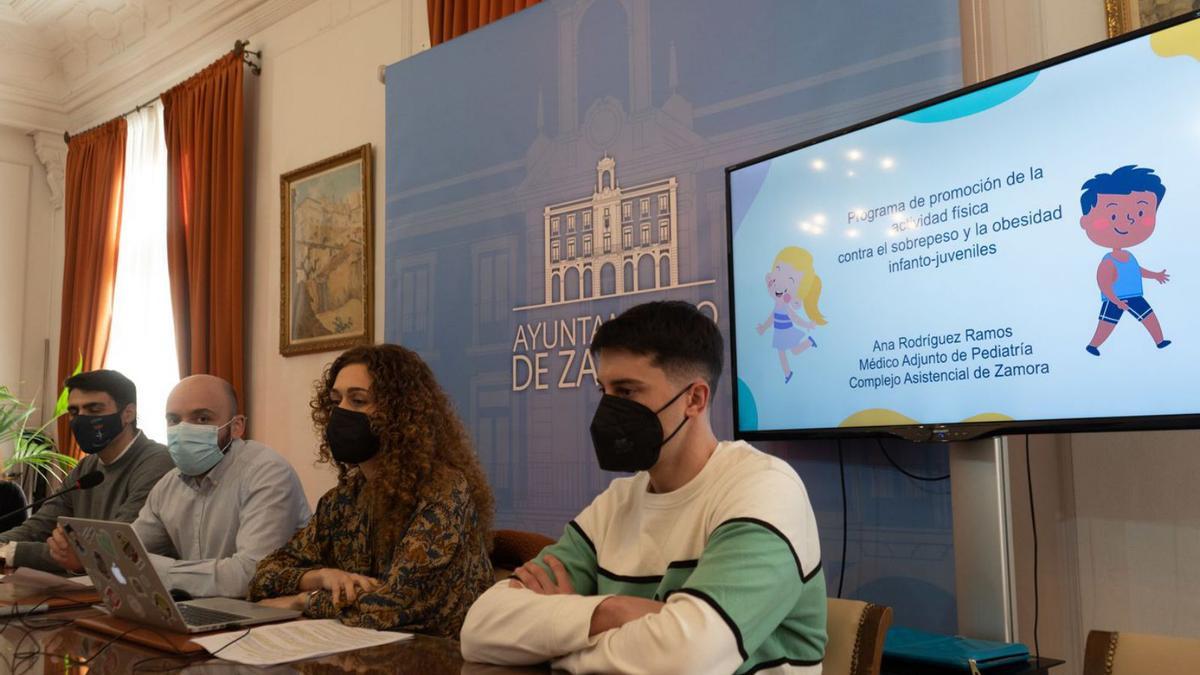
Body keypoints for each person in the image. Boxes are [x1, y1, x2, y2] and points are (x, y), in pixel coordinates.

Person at [460, 301, 827, 674]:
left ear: (694, 399)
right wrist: (612, 610)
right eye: (604, 390)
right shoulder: (616, 504)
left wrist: (557, 642)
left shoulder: (763, 490)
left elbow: (685, 659)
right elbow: (481, 627)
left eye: (627, 392)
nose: (608, 410)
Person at [248, 344, 494, 637]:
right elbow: (263, 578)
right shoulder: (341, 501)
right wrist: (320, 577)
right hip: (359, 649)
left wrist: (302, 600)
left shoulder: (443, 490)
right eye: (336, 400)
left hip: (441, 656)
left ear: (401, 415)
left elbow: (391, 605)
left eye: (358, 400)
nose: (341, 413)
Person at [48, 374, 310, 598]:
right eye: (173, 420)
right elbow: (126, 551)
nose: (184, 429)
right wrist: (85, 557)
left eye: (202, 418)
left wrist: (152, 567)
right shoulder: (168, 485)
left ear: (237, 427)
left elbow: (251, 574)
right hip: (200, 611)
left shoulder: (266, 472)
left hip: (268, 619)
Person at [0, 370, 174, 572]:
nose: (82, 419)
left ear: (128, 413)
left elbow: (115, 547)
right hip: (86, 589)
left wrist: (10, 552)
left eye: (94, 409)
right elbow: (40, 526)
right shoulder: (87, 467)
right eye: (74, 412)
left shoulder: (158, 463)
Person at [1080, 164, 1171, 355]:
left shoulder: (1129, 256)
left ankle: (1160, 341)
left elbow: (1135, 270)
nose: (1127, 222)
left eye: (1140, 213)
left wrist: (1155, 275)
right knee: (1106, 324)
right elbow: (1103, 283)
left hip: (1134, 295)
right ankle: (1093, 345)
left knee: (1149, 316)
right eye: (1113, 215)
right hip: (1116, 299)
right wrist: (1115, 300)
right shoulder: (1107, 261)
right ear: (1085, 221)